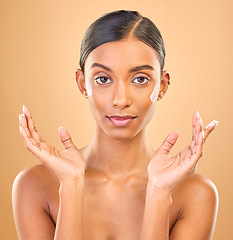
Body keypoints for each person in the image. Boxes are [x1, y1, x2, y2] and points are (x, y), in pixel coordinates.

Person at [12, 10, 219, 240]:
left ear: (162, 86)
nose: (121, 100)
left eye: (140, 79)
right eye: (103, 79)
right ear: (82, 84)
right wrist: (71, 185)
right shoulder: (34, 186)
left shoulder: (196, 193)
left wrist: (159, 193)